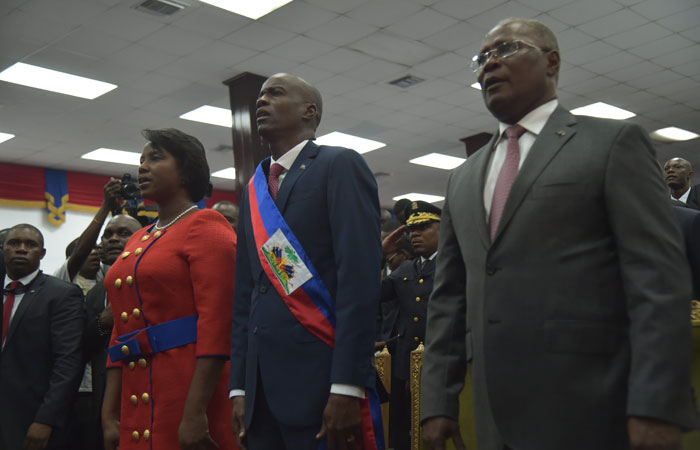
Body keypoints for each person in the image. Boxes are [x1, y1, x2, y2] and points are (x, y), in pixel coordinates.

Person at [420, 17, 698, 450]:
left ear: (552, 61)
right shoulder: (462, 177)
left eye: (507, 49)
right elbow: (449, 297)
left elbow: (657, 280)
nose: (489, 64)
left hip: (594, 408)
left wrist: (656, 404)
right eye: (482, 58)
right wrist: (437, 400)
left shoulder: (611, 143)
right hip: (495, 417)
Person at [229, 73, 383, 450]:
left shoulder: (339, 164)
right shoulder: (254, 188)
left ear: (309, 111)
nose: (260, 101)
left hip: (321, 380)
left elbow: (358, 280)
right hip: (260, 393)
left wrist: (347, 384)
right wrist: (239, 384)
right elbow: (247, 294)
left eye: (275, 94)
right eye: (259, 96)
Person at [101, 128, 237, 450]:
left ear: (187, 171)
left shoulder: (206, 225)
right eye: (141, 160)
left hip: (186, 384)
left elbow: (218, 325)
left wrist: (195, 412)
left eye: (156, 158)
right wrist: (108, 414)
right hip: (136, 384)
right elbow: (121, 330)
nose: (142, 167)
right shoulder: (139, 237)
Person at [0, 224, 85, 449]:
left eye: (30, 245)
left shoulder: (62, 294)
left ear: (42, 253)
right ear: (3, 249)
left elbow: (68, 363)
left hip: (31, 417)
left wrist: (46, 419)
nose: (21, 249)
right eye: (14, 243)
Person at [70, 214, 142, 450]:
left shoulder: (153, 279)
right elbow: (83, 347)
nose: (112, 240)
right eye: (108, 235)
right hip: (104, 395)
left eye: (122, 233)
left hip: (146, 387)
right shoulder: (96, 292)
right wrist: (103, 321)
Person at [380, 201, 441, 450]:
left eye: (424, 227)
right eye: (412, 229)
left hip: (438, 365)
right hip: (403, 366)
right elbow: (372, 295)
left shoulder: (453, 265)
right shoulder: (405, 268)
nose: (415, 234)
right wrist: (379, 257)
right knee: (402, 432)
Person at [54, 178, 123, 283]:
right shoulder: (62, 277)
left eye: (96, 248)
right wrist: (106, 206)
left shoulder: (103, 273)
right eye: (89, 250)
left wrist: (116, 209)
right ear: (69, 259)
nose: (95, 253)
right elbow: (80, 252)